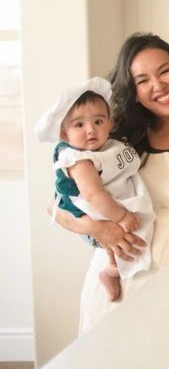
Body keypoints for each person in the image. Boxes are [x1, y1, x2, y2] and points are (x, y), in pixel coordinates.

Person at [52, 33, 169, 333]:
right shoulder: (114, 142)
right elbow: (57, 209)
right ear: (133, 92)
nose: (158, 86)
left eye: (165, 70)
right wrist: (96, 228)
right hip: (119, 296)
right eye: (142, 80)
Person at [35, 77, 155, 302]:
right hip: (97, 212)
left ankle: (113, 270)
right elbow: (93, 194)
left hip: (112, 206)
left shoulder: (110, 146)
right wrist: (122, 216)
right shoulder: (79, 160)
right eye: (79, 125)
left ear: (110, 123)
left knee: (130, 241)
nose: (91, 130)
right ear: (64, 134)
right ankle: (110, 272)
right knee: (124, 243)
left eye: (98, 121)